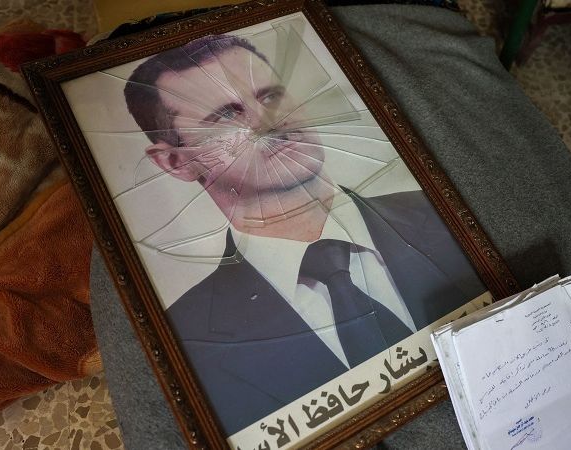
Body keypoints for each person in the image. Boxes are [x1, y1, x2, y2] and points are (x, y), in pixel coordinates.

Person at [123, 33, 486, 435]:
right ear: (176, 162)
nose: (268, 122)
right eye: (226, 115)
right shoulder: (185, 341)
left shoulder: (445, 208)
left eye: (270, 96)